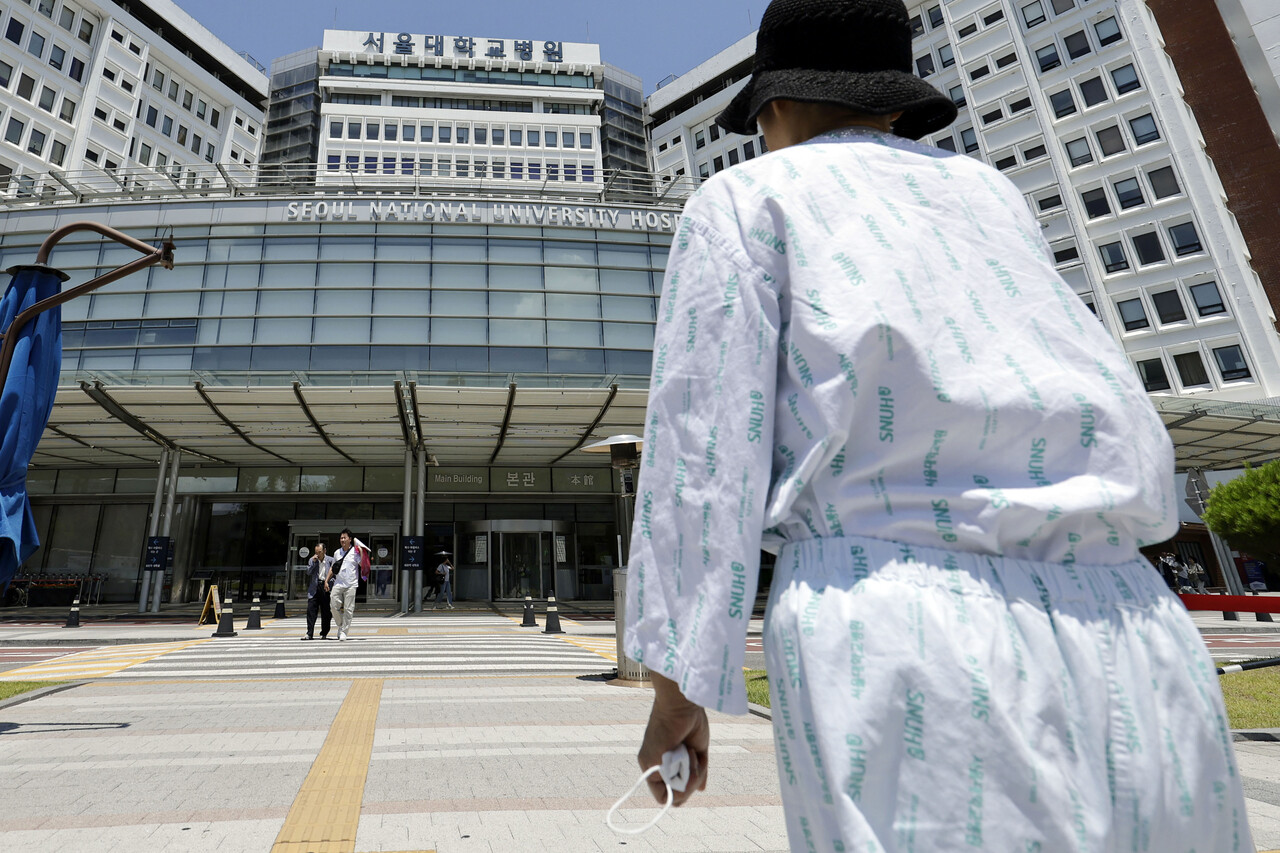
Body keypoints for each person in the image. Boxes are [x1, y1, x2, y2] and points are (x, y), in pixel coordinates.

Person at [623, 1, 1252, 850]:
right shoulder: (989, 193)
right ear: (896, 104)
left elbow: (704, 458)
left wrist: (676, 691)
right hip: (1133, 619)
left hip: (897, 623)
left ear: (769, 108)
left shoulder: (743, 199)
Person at [327, 528, 364, 641]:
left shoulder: (355, 552)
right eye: (341, 538)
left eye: (344, 538)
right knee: (333, 606)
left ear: (350, 539)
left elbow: (363, 564)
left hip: (351, 584)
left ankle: (344, 632)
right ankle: (341, 625)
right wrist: (326, 580)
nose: (342, 540)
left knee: (348, 609)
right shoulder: (337, 552)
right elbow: (333, 568)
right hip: (338, 583)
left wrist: (362, 553)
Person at [302, 543, 332, 640]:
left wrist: (330, 584)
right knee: (311, 610)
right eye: (316, 552)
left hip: (325, 587)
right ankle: (309, 633)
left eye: (319, 552)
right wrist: (314, 563)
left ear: (324, 551)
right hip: (314, 588)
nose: (317, 555)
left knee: (326, 612)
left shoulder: (331, 560)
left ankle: (324, 633)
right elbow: (308, 572)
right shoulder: (312, 560)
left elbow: (335, 575)